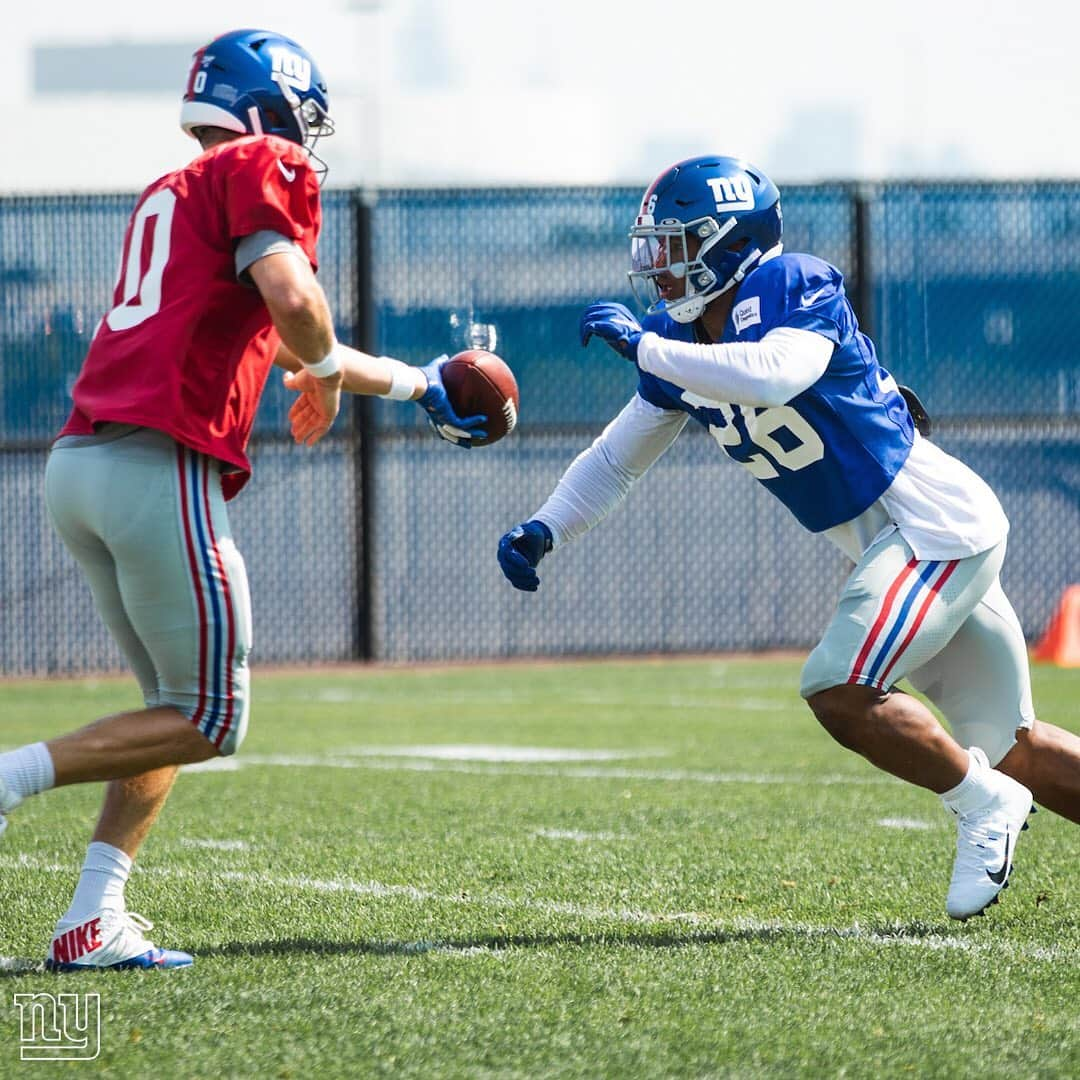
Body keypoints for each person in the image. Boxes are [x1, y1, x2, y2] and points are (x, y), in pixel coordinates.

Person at [0, 28, 485, 971]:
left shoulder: (173, 193)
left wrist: (419, 387)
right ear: (269, 112)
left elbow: (285, 344)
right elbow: (298, 307)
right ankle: (10, 778)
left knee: (166, 707)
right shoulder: (264, 166)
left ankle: (93, 917)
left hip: (84, 465)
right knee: (212, 717)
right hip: (157, 470)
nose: (309, 142)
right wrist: (323, 371)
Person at [497, 155, 1080, 920]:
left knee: (839, 688)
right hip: (908, 541)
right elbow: (616, 457)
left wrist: (647, 349)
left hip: (935, 530)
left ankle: (982, 805)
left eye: (676, 245)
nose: (658, 267)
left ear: (729, 241)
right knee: (1016, 747)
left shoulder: (789, 283)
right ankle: (995, 783)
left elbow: (775, 373)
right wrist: (548, 525)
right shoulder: (682, 343)